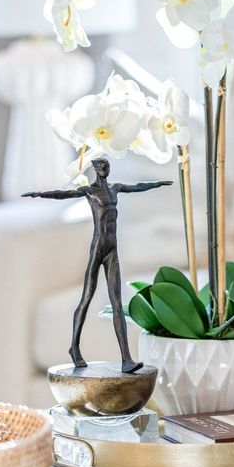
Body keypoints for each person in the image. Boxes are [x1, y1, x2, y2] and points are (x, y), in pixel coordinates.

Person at [23, 158, 171, 373]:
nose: (104, 170)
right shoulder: (89, 191)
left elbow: (137, 187)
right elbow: (63, 194)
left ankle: (126, 359)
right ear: (95, 169)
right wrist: (40, 194)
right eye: (101, 167)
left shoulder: (115, 188)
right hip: (98, 249)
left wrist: (157, 184)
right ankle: (74, 347)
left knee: (117, 302)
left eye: (106, 167)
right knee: (86, 298)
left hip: (112, 249)